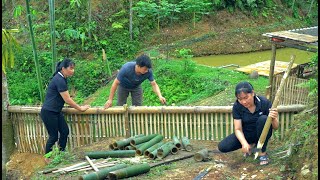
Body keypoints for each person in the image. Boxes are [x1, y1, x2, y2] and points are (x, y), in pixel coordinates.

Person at [40, 58, 90, 163]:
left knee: (64, 131)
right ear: (63, 68)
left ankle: (61, 154)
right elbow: (67, 99)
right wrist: (80, 108)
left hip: (56, 111)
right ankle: (47, 157)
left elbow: (66, 97)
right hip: (49, 112)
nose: (73, 71)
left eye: (73, 68)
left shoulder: (62, 78)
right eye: (71, 68)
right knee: (53, 136)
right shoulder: (59, 79)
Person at [218, 81, 278, 166]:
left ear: (252, 93)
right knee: (223, 146)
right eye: (240, 99)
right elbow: (238, 129)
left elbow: (275, 127)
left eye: (246, 97)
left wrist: (274, 118)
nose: (244, 102)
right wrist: (244, 143)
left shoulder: (264, 103)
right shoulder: (237, 106)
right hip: (247, 133)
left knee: (263, 119)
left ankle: (262, 153)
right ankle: (252, 147)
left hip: (262, 133)